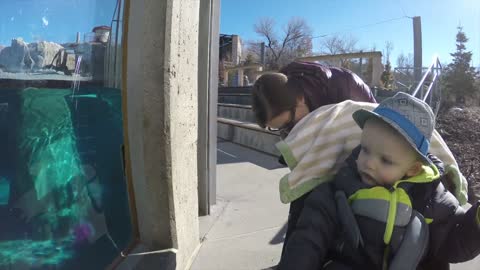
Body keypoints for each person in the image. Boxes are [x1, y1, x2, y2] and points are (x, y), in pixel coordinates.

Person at [278, 92, 480, 270]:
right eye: (365, 149)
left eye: (386, 160)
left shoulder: (433, 198)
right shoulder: (336, 192)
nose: (369, 163)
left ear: (413, 169)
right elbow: (307, 242)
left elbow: (455, 242)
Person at [252, 61, 377, 254]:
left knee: (327, 196)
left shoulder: (344, 89)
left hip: (363, 147)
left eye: (288, 124)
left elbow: (371, 138)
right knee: (304, 190)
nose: (289, 131)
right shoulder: (283, 95)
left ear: (300, 99)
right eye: (278, 129)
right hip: (329, 143)